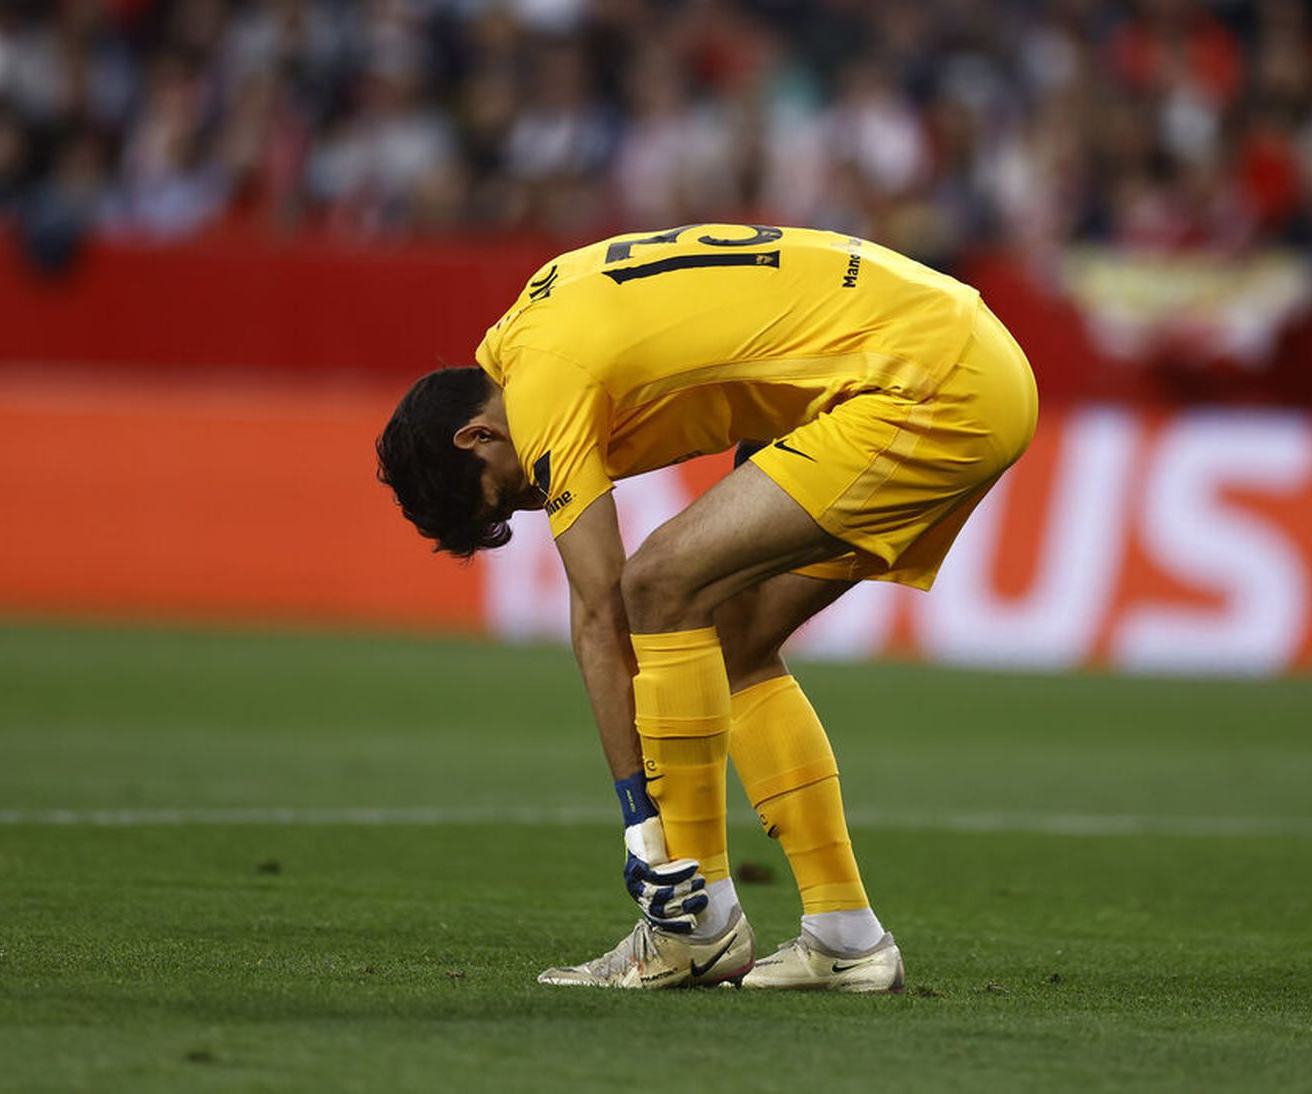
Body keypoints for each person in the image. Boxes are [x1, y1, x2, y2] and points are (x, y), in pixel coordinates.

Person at [376, 224, 1037, 991]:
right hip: (948, 352)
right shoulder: (536, 320)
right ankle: (846, 937)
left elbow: (600, 613)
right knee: (735, 638)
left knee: (657, 585)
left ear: (478, 433)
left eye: (512, 490)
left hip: (924, 382)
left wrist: (642, 825)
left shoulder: (542, 384)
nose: (534, 501)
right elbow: (744, 316)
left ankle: (694, 926)